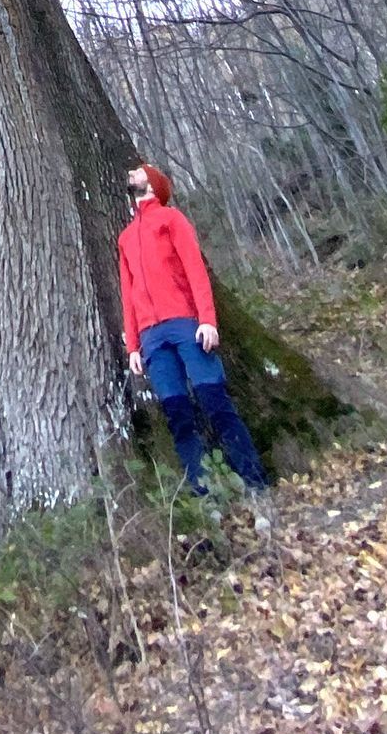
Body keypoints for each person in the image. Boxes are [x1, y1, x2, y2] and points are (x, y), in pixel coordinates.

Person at [117, 160, 273, 527]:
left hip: (187, 325)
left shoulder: (172, 219)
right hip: (153, 338)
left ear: (154, 184)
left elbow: (194, 268)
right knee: (178, 417)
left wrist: (207, 320)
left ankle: (256, 486)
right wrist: (134, 347)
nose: (133, 175)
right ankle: (206, 500)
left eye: (139, 171)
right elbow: (128, 293)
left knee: (215, 403)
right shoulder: (125, 238)